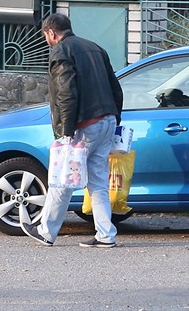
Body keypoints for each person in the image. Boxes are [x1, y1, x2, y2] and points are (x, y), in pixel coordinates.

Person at [21, 13, 123, 248]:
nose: (46, 40)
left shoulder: (61, 52)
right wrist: (115, 117)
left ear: (51, 33)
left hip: (83, 127)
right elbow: (115, 87)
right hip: (106, 121)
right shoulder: (95, 48)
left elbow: (67, 92)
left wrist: (66, 132)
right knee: (97, 183)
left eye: (45, 36)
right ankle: (106, 235)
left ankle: (46, 231)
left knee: (62, 178)